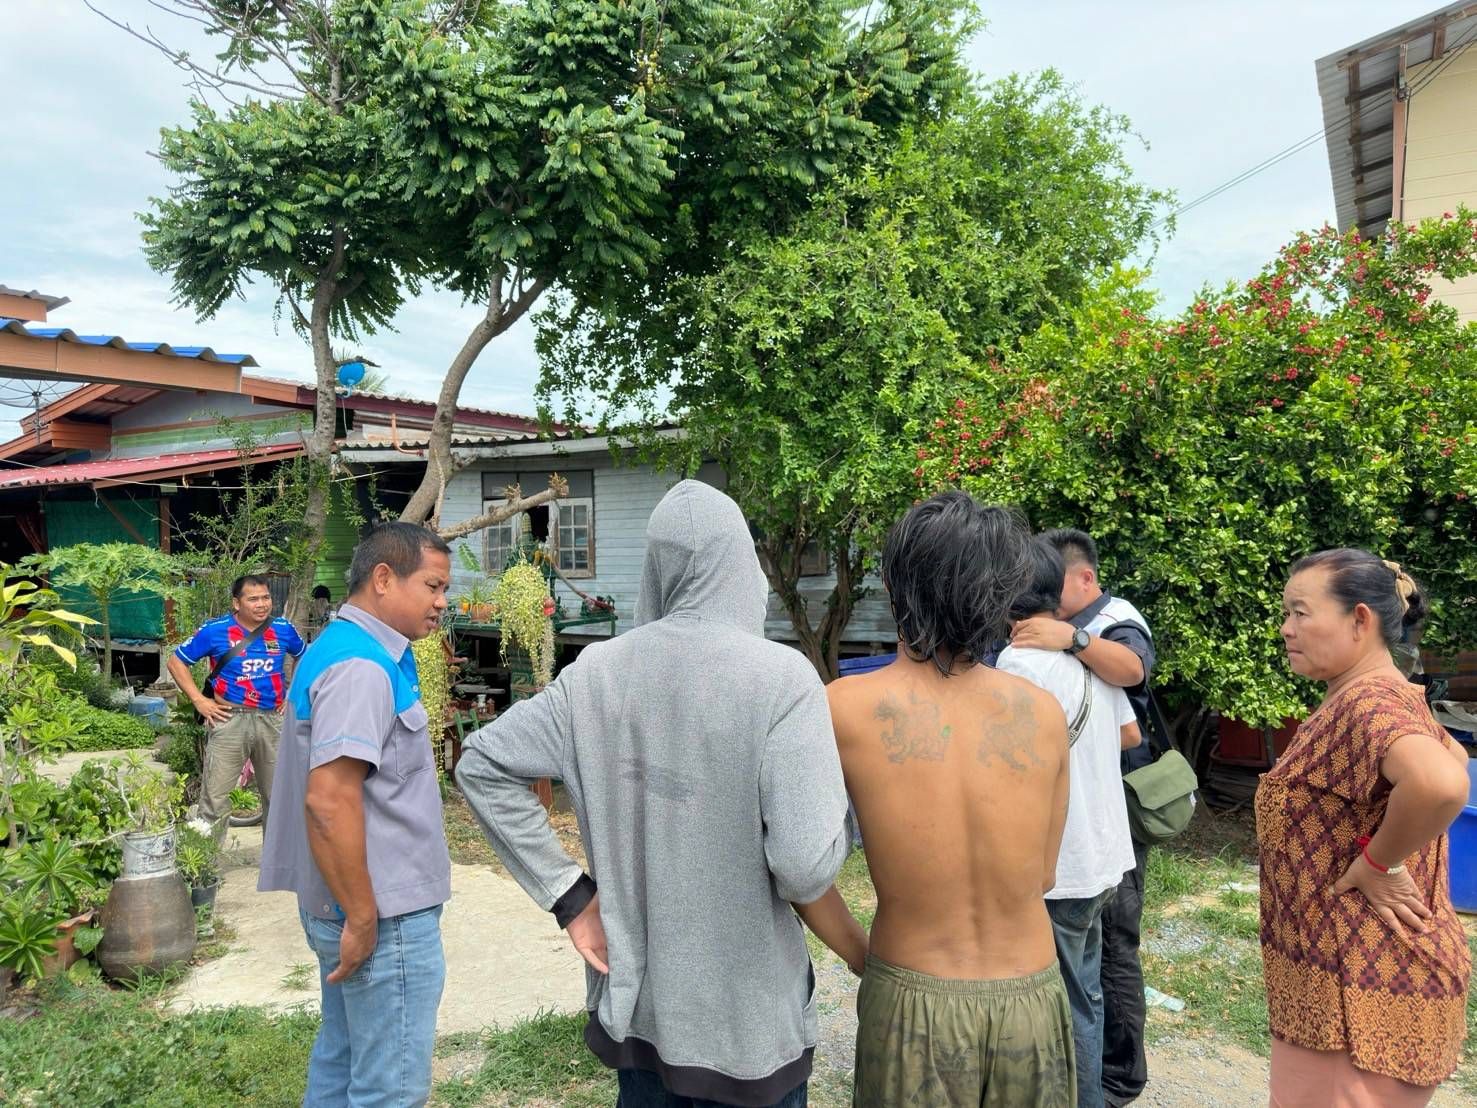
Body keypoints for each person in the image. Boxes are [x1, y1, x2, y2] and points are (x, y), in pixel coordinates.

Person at [456, 480, 859, 1108]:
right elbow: (806, 864)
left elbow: (480, 762)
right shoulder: (781, 680)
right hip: (749, 1032)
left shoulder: (594, 673)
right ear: (739, 564)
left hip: (643, 1015)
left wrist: (571, 896)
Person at [828, 491, 1074, 1107]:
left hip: (913, 995)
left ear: (893, 585)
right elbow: (1043, 873)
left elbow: (797, 867)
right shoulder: (1043, 714)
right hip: (1033, 999)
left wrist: (865, 957)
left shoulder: (842, 709)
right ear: (1003, 594)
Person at [1257, 549, 1470, 1106]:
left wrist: (1378, 862)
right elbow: (1443, 766)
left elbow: (1442, 785)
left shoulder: (1370, 701)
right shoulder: (1381, 692)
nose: (1286, 629)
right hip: (1351, 986)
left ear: (1360, 619)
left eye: (1301, 613)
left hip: (1359, 995)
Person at [258, 523, 454, 1107]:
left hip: (349, 904)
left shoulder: (338, 647)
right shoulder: (361, 668)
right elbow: (329, 800)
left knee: (344, 1059)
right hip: (381, 914)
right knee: (387, 1087)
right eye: (434, 586)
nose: (443, 603)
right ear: (384, 579)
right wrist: (364, 916)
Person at [996, 538, 1141, 1108]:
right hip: (1106, 857)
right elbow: (1130, 734)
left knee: (1063, 1001)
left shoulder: (1017, 663)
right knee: (1088, 990)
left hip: (1064, 863)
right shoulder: (1091, 654)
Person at [167, 574, 305, 838]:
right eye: (253, 599)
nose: (262, 604)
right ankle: (204, 867)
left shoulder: (283, 629)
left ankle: (279, 868)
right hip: (229, 719)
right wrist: (199, 700)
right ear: (236, 603)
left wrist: (293, 695)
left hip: (272, 720)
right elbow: (176, 662)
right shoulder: (214, 630)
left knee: (279, 798)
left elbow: (303, 656)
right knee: (215, 799)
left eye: (266, 597)